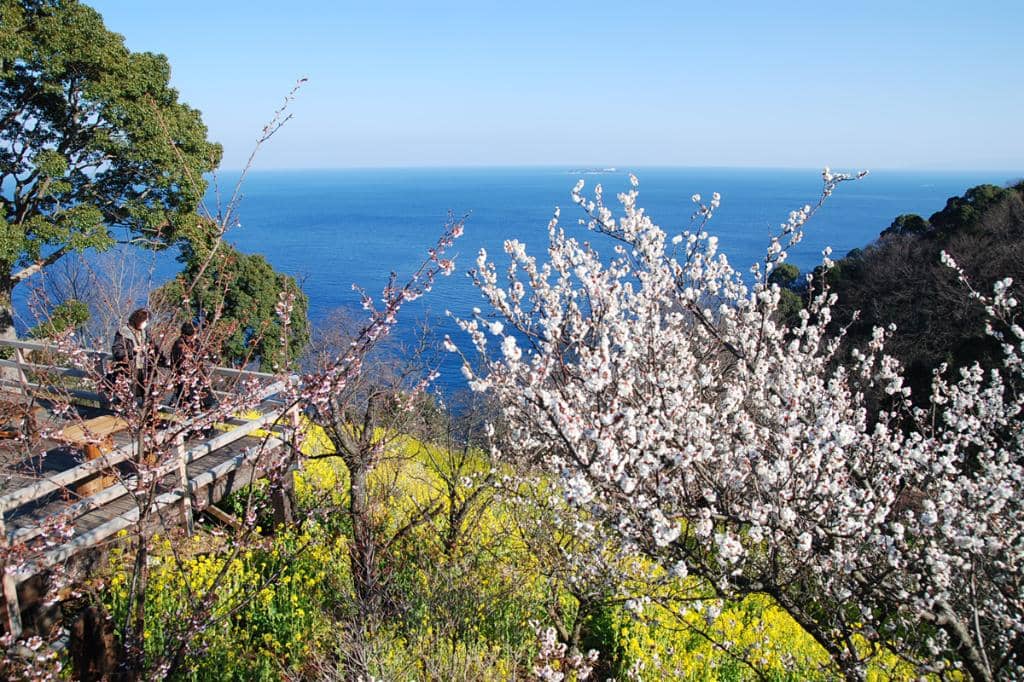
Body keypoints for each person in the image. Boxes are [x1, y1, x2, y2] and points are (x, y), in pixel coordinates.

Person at [169, 322, 219, 412]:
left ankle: (207, 407)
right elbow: (179, 363)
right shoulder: (179, 345)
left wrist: (214, 358)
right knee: (189, 398)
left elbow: (205, 351)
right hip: (186, 377)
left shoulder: (196, 342)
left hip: (198, 375)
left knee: (202, 392)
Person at [109, 308, 155, 403]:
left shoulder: (145, 332)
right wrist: (132, 351)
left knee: (146, 396)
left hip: (143, 369)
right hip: (128, 369)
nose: (146, 323)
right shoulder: (123, 332)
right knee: (126, 397)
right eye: (144, 321)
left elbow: (153, 347)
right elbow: (117, 350)